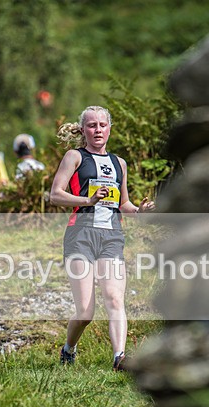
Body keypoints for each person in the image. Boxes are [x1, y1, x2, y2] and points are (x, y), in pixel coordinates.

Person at [49, 105, 155, 371]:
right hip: (80, 235)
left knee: (115, 298)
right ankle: (68, 349)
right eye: (92, 125)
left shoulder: (119, 163)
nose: (98, 130)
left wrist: (139, 211)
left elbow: (124, 203)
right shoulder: (75, 156)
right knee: (85, 312)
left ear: (110, 129)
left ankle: (120, 357)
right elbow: (55, 194)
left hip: (111, 236)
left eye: (102, 125)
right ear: (83, 129)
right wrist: (88, 199)